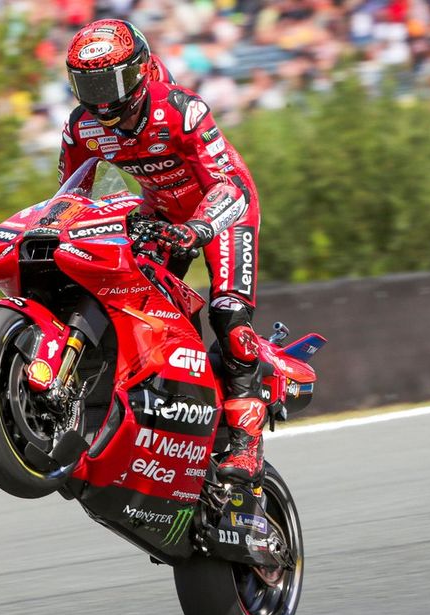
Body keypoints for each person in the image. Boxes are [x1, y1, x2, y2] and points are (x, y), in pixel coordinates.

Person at [59, 20, 267, 484]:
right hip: (161, 217)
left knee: (229, 315)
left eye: (109, 81)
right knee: (139, 303)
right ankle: (180, 404)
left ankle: (246, 444)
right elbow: (71, 198)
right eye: (88, 84)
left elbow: (230, 185)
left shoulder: (181, 111)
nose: (101, 97)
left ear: (138, 72)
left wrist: (201, 225)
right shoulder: (81, 129)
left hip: (224, 212)